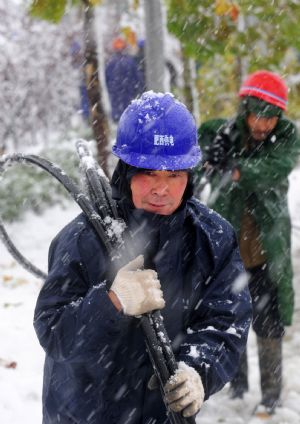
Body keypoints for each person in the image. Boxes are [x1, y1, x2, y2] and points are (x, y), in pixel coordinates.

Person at [34, 91, 252, 424]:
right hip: (83, 414)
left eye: (174, 174)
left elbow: (225, 322)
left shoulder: (213, 238)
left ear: (189, 174)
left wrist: (197, 370)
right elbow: (53, 332)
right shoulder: (83, 238)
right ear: (127, 170)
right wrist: (111, 303)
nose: (161, 189)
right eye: (149, 173)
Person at [197, 70, 300, 417]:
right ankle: (234, 385)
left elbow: (273, 168)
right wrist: (212, 157)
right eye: (257, 115)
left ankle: (271, 394)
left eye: (270, 116)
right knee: (230, 322)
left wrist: (236, 168)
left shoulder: (286, 139)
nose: (263, 124)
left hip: (267, 254)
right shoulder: (222, 133)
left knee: (269, 325)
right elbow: (196, 160)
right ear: (245, 111)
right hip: (228, 256)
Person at [105, 37, 142, 123]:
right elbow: (137, 78)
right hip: (129, 93)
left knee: (118, 117)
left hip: (116, 95)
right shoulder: (130, 61)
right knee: (129, 116)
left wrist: (111, 90)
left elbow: (107, 80)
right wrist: (137, 90)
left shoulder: (110, 62)